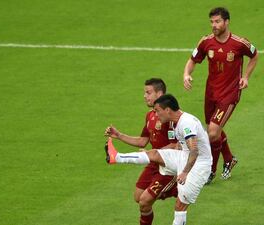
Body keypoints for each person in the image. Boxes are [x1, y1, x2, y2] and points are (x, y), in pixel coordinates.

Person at [105, 94, 212, 225]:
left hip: (199, 165)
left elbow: (194, 150)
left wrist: (184, 172)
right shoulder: (178, 121)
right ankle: (116, 157)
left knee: (180, 206)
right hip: (184, 156)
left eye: (157, 110)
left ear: (167, 110)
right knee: (155, 153)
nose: (156, 114)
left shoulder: (186, 123)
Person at [183, 7, 258, 184]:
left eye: (217, 22)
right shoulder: (206, 42)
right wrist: (186, 74)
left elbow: (254, 56)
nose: (214, 25)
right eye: (212, 22)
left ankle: (211, 170)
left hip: (230, 93)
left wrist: (245, 77)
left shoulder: (240, 43)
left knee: (213, 132)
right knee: (213, 130)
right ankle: (229, 159)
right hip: (211, 93)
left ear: (226, 22)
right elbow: (193, 60)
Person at [104, 78, 177, 225]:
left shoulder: (169, 117)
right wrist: (119, 135)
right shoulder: (150, 115)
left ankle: (177, 188)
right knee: (138, 197)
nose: (145, 96)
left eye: (148, 92)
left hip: (169, 166)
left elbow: (176, 145)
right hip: (153, 163)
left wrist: (153, 152)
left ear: (160, 93)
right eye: (145, 92)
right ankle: (171, 190)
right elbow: (143, 140)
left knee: (144, 201)